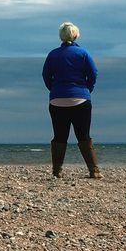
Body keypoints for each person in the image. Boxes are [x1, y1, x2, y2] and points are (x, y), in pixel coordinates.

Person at [42, 21, 101, 178]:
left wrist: (54, 90)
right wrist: (87, 89)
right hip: (80, 99)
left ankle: (57, 171)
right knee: (83, 135)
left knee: (59, 136)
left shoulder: (53, 54)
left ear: (61, 36)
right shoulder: (83, 53)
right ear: (75, 35)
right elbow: (93, 73)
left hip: (57, 100)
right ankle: (93, 171)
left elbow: (46, 76)